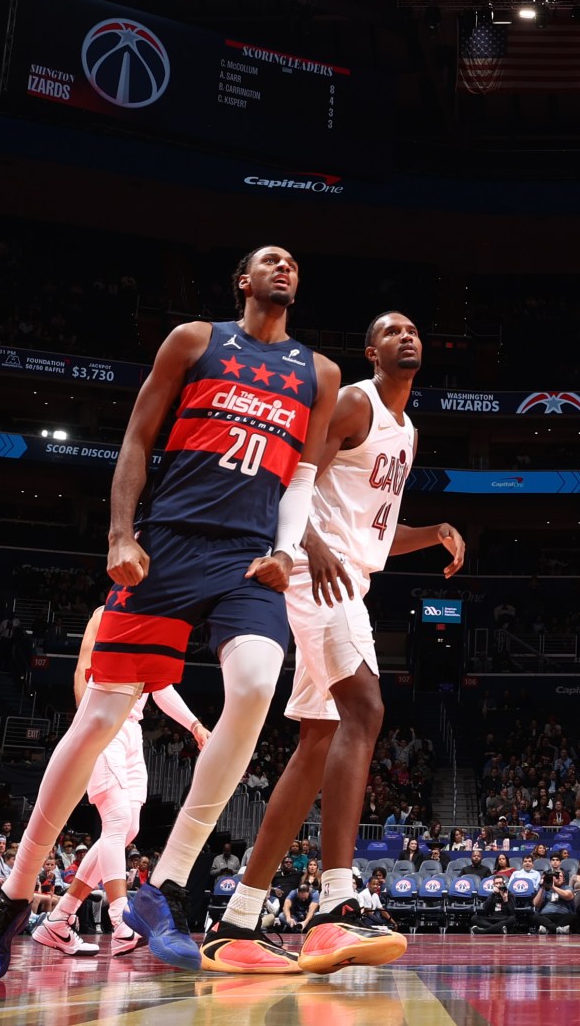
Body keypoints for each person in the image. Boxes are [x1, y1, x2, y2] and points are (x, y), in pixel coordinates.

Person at [0, 245, 342, 980]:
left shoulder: (318, 372)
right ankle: (8, 905)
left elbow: (303, 476)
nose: (285, 266)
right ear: (243, 278)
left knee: (260, 683)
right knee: (99, 718)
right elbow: (136, 438)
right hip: (166, 545)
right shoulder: (196, 340)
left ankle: (163, 886)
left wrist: (288, 551)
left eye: (293, 260)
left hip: (248, 556)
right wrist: (119, 533)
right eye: (270, 258)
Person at [203, 311, 460, 976]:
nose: (408, 334)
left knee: (319, 740)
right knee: (365, 710)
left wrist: (431, 531)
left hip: (353, 577)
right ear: (372, 349)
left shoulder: (406, 429)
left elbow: (371, 525)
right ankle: (334, 902)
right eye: (393, 329)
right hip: (319, 574)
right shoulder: (354, 401)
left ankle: (238, 920)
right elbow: (293, 471)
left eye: (414, 327)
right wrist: (306, 543)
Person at [29, 605, 206, 959]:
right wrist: (88, 726)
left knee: (127, 830)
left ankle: (59, 918)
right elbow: (83, 667)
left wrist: (195, 726)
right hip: (103, 724)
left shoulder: (159, 621)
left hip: (131, 732)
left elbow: (161, 688)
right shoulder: (105, 612)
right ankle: (120, 921)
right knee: (115, 821)